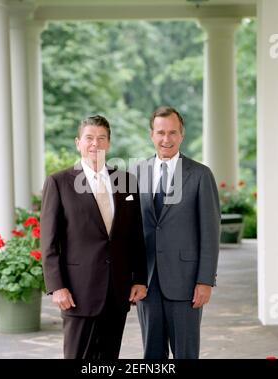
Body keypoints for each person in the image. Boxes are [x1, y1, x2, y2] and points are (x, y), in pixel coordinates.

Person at [41, 115, 147, 359]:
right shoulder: (59, 182)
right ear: (78, 142)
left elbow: (136, 235)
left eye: (101, 138)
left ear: (108, 143)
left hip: (117, 290)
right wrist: (57, 286)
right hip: (78, 291)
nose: (95, 144)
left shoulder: (126, 181)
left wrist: (140, 279)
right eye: (89, 138)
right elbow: (49, 241)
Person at [136, 106, 220, 359]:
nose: (166, 139)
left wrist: (205, 280)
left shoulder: (200, 174)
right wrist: (131, 277)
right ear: (151, 135)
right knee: (152, 355)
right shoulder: (136, 173)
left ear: (182, 135)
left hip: (186, 282)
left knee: (186, 353)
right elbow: (130, 231)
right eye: (160, 132)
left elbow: (210, 232)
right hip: (147, 282)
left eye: (173, 132)